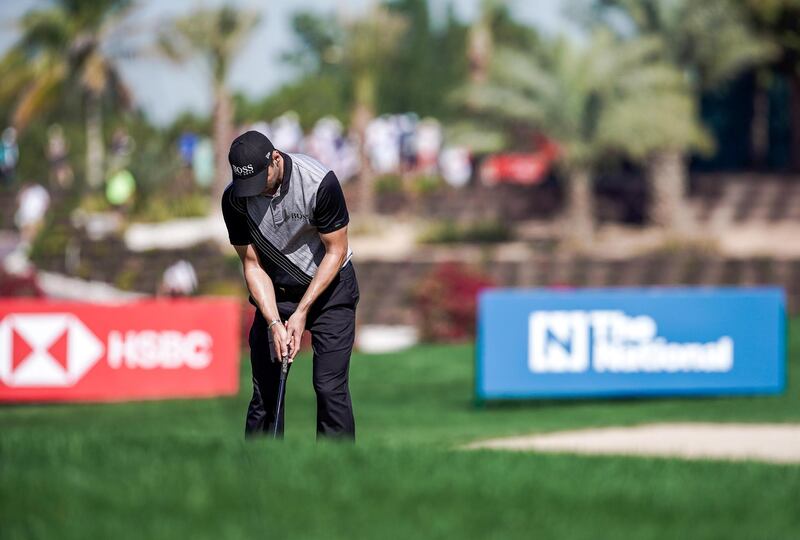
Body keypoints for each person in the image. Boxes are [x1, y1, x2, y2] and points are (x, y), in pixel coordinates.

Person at [221, 130, 359, 440]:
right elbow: (253, 264)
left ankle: (338, 472)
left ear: (276, 159)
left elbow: (335, 251)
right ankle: (259, 474)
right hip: (277, 292)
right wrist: (273, 321)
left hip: (331, 289)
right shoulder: (235, 200)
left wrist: (302, 312)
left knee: (329, 388)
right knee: (265, 393)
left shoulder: (319, 183)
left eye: (261, 181)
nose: (257, 193)